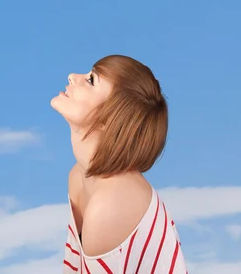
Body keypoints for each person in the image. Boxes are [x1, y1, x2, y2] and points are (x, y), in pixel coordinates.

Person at [51, 55, 188, 273]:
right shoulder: (79, 177)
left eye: (91, 80)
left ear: (109, 119)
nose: (72, 77)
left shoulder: (108, 205)